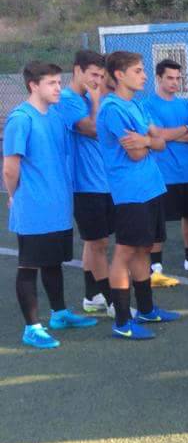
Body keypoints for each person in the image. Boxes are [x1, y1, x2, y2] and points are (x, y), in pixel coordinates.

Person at [3, 62, 97, 349]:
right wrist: (12, 196)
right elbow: (10, 167)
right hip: (33, 207)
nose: (59, 88)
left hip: (58, 205)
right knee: (29, 266)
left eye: (59, 82)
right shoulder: (21, 118)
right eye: (52, 83)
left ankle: (59, 313)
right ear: (34, 86)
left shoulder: (56, 115)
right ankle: (32, 327)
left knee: (54, 262)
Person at [97, 51, 181, 340]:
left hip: (151, 187)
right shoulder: (112, 109)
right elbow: (134, 154)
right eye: (138, 70)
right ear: (119, 75)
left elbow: (159, 141)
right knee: (125, 252)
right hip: (130, 192)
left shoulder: (138, 106)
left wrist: (146, 139)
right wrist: (149, 142)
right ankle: (122, 321)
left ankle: (146, 309)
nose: (144, 75)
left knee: (145, 248)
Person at [54, 50, 114, 314]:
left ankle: (92, 296)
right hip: (84, 184)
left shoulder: (89, 96)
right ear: (77, 70)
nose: (98, 80)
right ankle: (115, 303)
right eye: (93, 75)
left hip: (102, 181)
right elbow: (92, 128)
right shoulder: (68, 99)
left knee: (95, 242)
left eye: (101, 76)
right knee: (99, 243)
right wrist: (99, 98)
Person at [145, 59, 188, 278]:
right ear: (159, 78)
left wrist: (171, 133)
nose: (175, 82)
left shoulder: (184, 104)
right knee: (158, 221)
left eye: (178, 78)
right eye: (170, 78)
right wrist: (182, 129)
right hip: (162, 173)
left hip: (187, 171)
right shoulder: (147, 105)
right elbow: (157, 135)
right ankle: (155, 267)